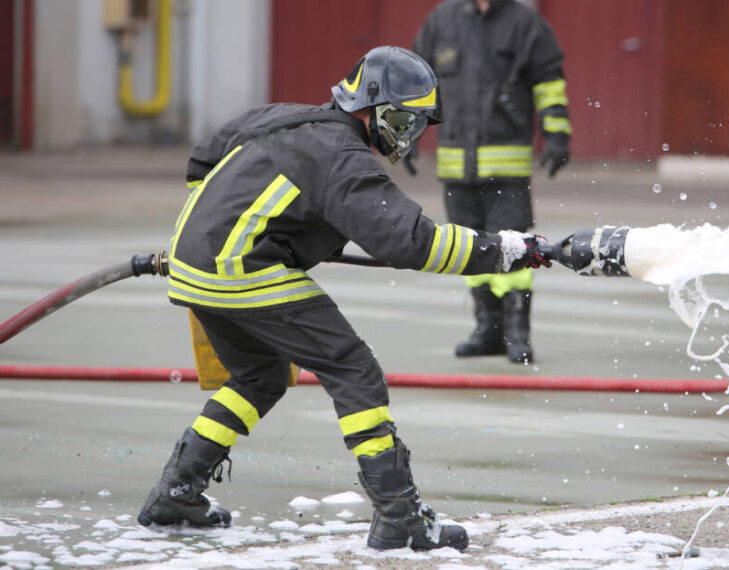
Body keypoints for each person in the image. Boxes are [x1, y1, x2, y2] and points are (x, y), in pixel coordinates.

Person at [136, 46, 551, 552]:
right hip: (240, 268)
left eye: (416, 125)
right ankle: (400, 515)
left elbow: (202, 160)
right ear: (370, 104)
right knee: (354, 369)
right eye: (403, 119)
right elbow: (414, 242)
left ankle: (175, 495)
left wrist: (266, 227)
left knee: (259, 377)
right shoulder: (343, 158)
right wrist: (507, 249)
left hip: (193, 261)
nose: (406, 135)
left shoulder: (283, 116)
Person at [410, 0, 571, 364]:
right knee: (469, 249)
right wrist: (409, 134)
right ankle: (488, 331)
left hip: (506, 167)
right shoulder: (441, 21)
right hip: (455, 166)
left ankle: (517, 334)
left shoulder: (525, 24)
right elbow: (417, 83)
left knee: (514, 247)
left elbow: (549, 84)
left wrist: (557, 134)